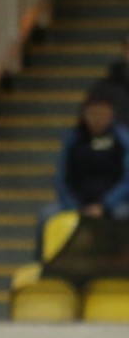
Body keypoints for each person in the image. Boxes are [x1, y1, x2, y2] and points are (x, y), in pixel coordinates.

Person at [36, 93, 129, 256]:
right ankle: (41, 264)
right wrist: (75, 206)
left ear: (111, 115)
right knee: (47, 216)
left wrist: (105, 205)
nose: (97, 119)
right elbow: (62, 179)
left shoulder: (121, 139)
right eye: (93, 114)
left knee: (124, 215)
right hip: (78, 202)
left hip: (113, 204)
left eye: (102, 114)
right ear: (85, 114)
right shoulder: (74, 139)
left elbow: (126, 180)